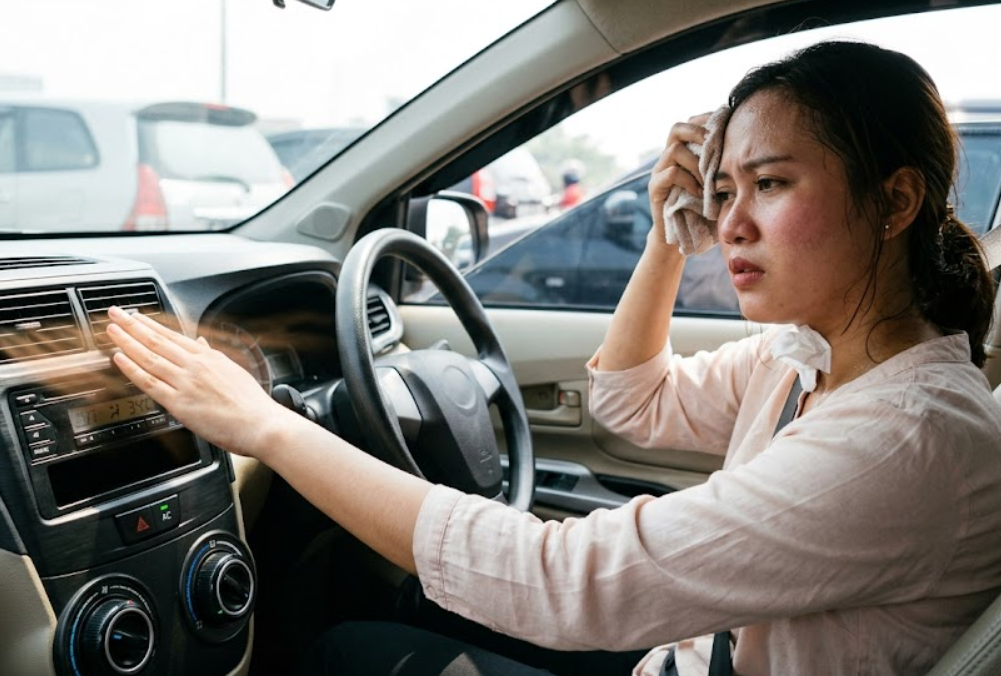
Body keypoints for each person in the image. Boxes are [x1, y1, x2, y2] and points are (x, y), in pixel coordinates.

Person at [105, 40, 1001, 676]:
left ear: (893, 202)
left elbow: (562, 585)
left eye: (769, 185)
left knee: (345, 650)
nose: (730, 223)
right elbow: (632, 403)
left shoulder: (902, 439)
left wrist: (266, 425)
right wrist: (664, 237)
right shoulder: (805, 358)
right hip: (682, 656)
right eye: (722, 191)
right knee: (394, 611)